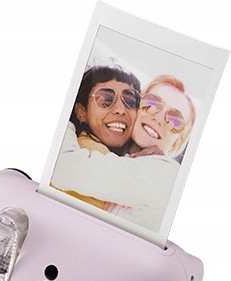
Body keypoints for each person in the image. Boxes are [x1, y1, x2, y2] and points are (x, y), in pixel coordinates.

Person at [51, 71, 196, 232]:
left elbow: (61, 166)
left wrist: (68, 118)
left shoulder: (167, 175)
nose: (158, 118)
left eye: (175, 120)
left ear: (177, 143)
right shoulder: (110, 155)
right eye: (151, 104)